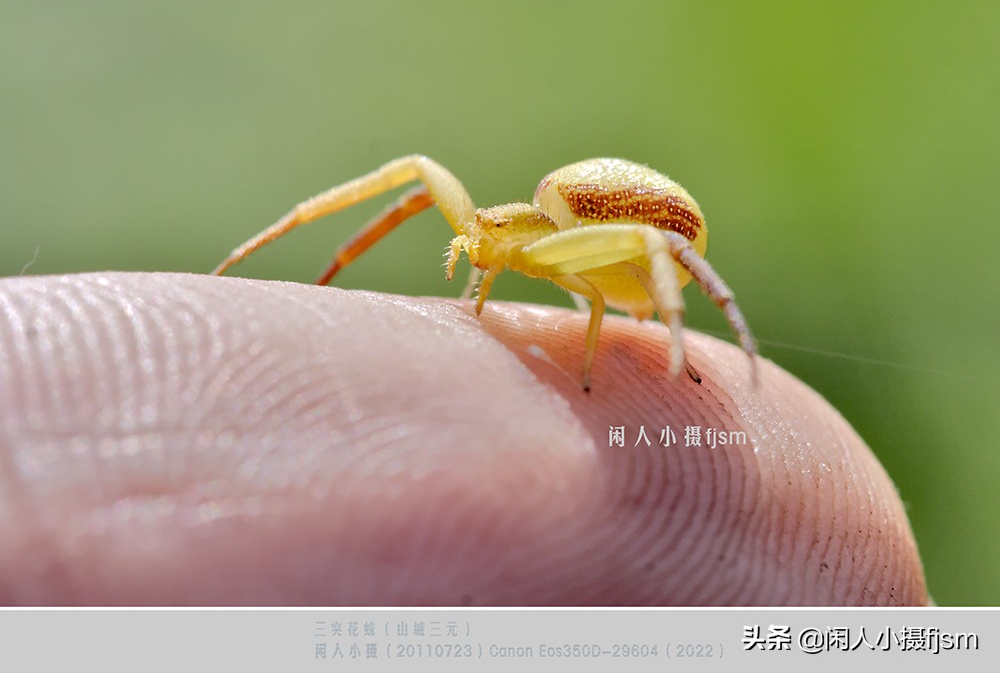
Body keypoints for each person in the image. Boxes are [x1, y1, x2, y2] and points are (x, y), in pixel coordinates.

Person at [0, 272, 927, 605]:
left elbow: (654, 250)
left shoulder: (571, 254)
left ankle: (706, 330)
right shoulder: (514, 248)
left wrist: (691, 320)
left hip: (633, 248)